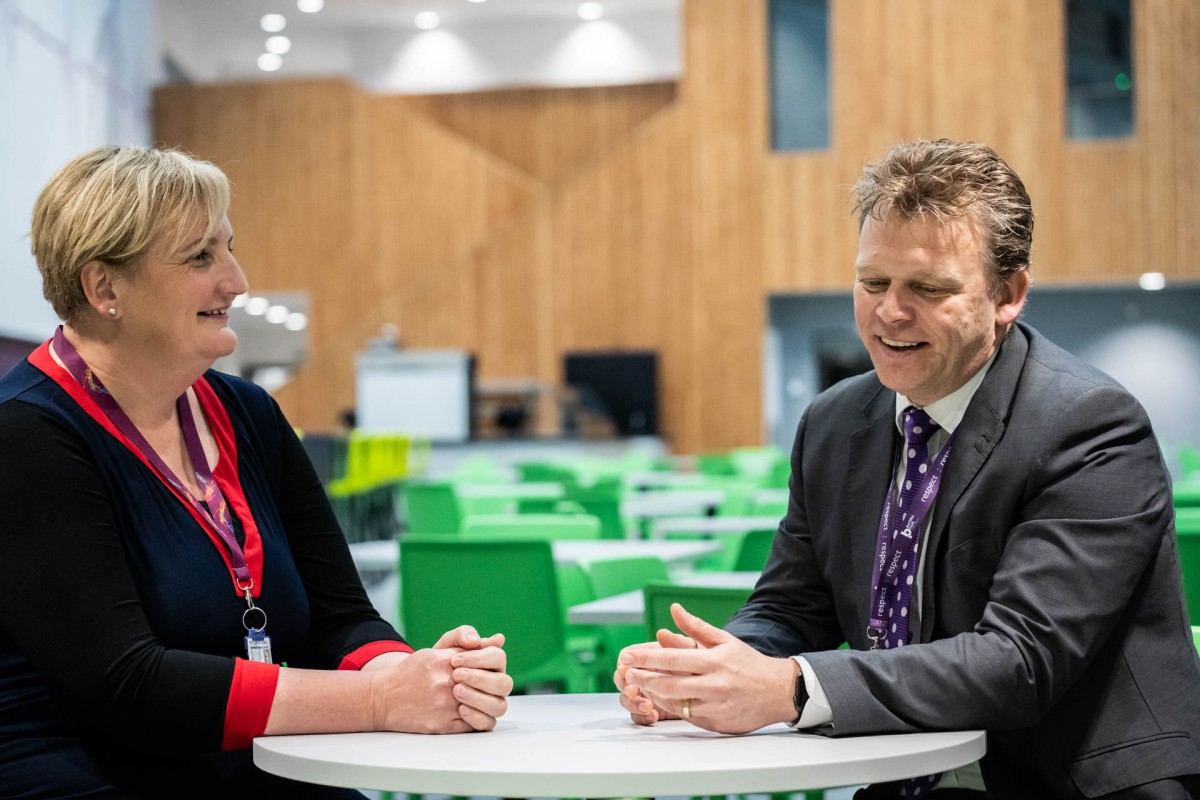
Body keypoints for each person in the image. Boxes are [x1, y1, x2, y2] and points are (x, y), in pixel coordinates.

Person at [617, 139, 1200, 798]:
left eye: (927, 288)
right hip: (894, 774)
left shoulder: (1088, 426)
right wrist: (712, 668)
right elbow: (791, 606)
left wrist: (790, 688)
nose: (890, 312)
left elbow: (1020, 661)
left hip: (1063, 781)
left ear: (1008, 294)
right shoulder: (833, 425)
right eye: (873, 282)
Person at [0, 145, 513, 799]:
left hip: (239, 761)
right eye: (200, 257)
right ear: (105, 289)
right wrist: (378, 701)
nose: (236, 280)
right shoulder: (26, 435)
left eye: (229, 249)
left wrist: (423, 675)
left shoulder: (248, 414)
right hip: (78, 769)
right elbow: (127, 684)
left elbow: (340, 619)